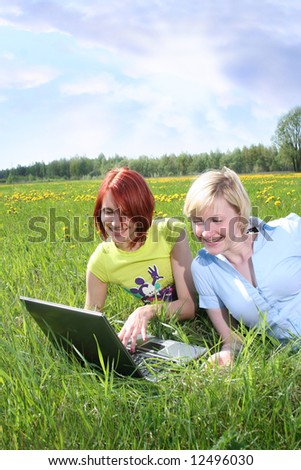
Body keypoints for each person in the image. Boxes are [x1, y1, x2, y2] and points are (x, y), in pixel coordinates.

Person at [183, 166, 301, 366]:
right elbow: (232, 340)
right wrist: (226, 354)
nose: (206, 232)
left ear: (240, 213)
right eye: (198, 221)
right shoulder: (203, 268)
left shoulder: (289, 231)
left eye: (216, 220)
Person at [85, 167, 196, 351]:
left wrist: (146, 311)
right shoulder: (102, 259)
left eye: (126, 212)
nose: (115, 222)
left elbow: (189, 307)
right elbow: (90, 320)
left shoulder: (171, 233)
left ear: (142, 211)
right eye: (109, 211)